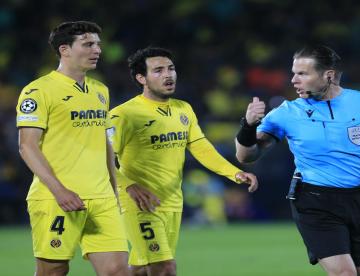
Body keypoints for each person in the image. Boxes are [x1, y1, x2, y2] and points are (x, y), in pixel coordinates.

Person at [235, 45, 360, 276]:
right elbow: (246, 155)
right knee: (345, 273)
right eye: (294, 73)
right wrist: (248, 126)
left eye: (302, 74)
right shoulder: (286, 113)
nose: (293, 80)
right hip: (314, 201)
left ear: (328, 75)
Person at [108, 46, 258, 276]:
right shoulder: (124, 115)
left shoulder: (183, 109)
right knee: (165, 267)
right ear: (141, 78)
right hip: (140, 204)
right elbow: (100, 157)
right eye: (158, 70)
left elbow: (200, 147)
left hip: (172, 202)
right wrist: (128, 185)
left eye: (171, 68)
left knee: (141, 268)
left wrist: (233, 172)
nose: (168, 75)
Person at [16, 21, 129, 276]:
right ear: (64, 49)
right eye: (88, 44)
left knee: (118, 271)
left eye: (98, 44)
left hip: (102, 198)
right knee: (53, 271)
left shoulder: (100, 90)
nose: (97, 50)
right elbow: (27, 146)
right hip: (56, 197)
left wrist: (114, 189)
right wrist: (59, 190)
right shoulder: (37, 91)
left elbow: (105, 144)